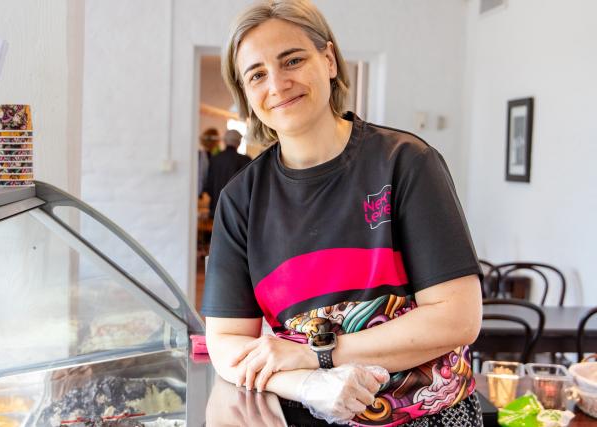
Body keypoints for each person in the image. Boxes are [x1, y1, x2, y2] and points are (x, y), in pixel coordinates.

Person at [201, 1, 484, 426]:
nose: (277, 84)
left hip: (428, 417)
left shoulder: (406, 163)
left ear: (329, 59)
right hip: (302, 417)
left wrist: (313, 354)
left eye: (292, 59)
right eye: (256, 74)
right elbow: (225, 342)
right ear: (246, 94)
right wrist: (304, 384)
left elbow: (457, 317)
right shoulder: (240, 199)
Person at [203, 129, 252, 218]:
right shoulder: (246, 161)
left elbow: (208, 186)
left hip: (215, 210)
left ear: (225, 141)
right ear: (239, 143)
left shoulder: (214, 159)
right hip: (237, 214)